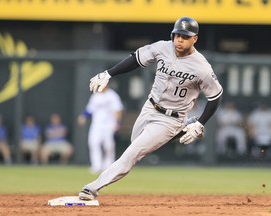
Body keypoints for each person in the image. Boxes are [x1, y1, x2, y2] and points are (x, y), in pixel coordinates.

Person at [78, 16, 223, 200]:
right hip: (150, 107)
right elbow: (136, 59)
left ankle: (92, 188)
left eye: (185, 37)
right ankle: (183, 128)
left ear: (194, 39)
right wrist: (109, 73)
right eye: (177, 35)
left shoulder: (201, 66)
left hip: (171, 117)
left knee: (132, 154)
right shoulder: (162, 47)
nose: (179, 39)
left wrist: (202, 123)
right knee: (135, 142)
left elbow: (216, 96)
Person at [78, 85, 124, 174]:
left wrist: (118, 123)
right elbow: (89, 109)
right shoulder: (95, 96)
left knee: (108, 145)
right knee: (93, 142)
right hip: (97, 124)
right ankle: (96, 165)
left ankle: (108, 165)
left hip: (109, 123)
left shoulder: (112, 95)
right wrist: (83, 116)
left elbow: (118, 110)